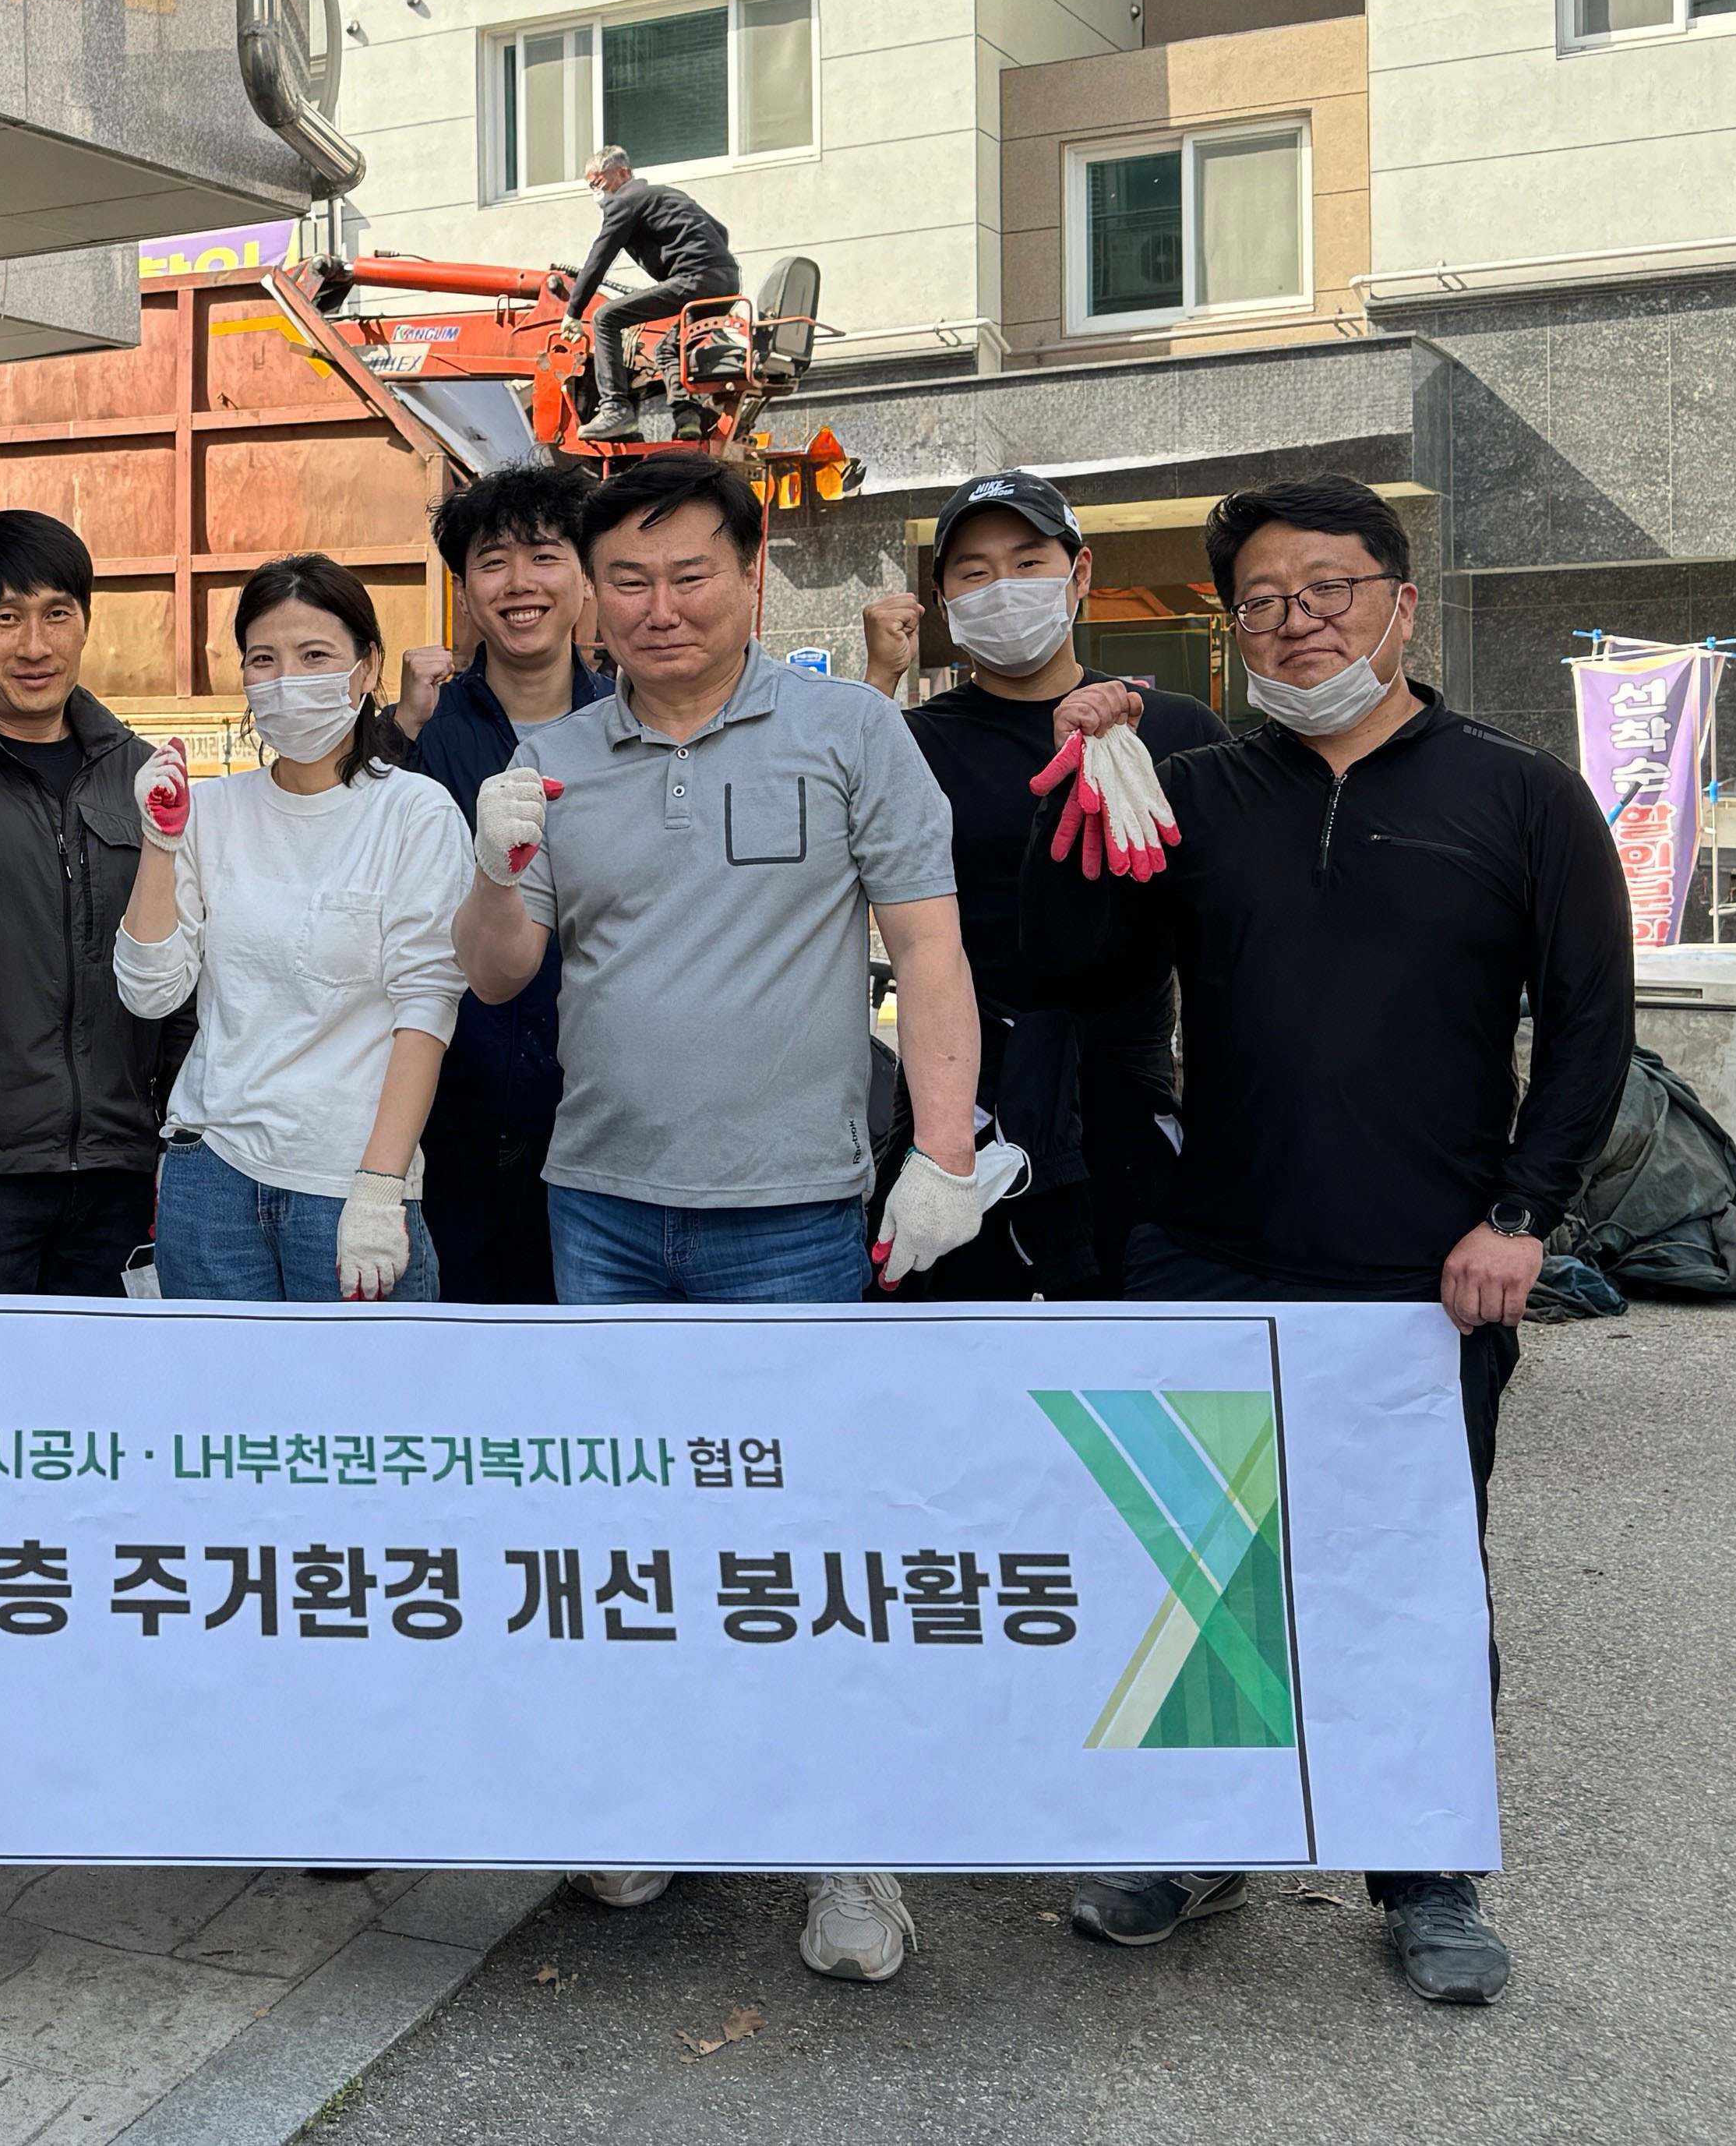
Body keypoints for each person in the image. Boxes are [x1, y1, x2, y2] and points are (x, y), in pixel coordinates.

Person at [1017, 474, 1628, 2007]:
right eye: (1265, 602)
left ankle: (1425, 1867)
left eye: (1330, 589)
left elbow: (1590, 1027)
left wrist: (1521, 1213)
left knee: (1412, 1569)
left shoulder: (1519, 793)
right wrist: (1083, 774)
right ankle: (1201, 1839)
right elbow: (1077, 964)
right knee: (1206, 1567)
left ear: (1400, 602)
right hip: (1216, 1242)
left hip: (1428, 1266)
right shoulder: (1201, 791)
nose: (1299, 622)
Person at [448, 453, 999, 1985]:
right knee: (633, 1529)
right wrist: (495, 867)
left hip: (792, 1208)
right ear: (592, 597)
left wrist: (941, 1150)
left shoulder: (849, 731)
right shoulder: (557, 753)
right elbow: (496, 970)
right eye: (627, 579)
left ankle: (846, 1848)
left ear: (754, 577)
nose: (660, 605)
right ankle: (654, 1798)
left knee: (802, 1529)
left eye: (692, 573)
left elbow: (928, 950)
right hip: (603, 1207)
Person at [865, 471, 1227, 1299]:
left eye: (1029, 562)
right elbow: (820, 825)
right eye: (975, 571)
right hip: (960, 1110)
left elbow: (1222, 940)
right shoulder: (908, 741)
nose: (1004, 587)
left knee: (1132, 1352)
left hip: (1126, 1105)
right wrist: (877, 683)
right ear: (943, 600)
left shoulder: (1171, 727)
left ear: (1080, 571)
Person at [113, 554, 462, 1304]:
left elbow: (426, 1010)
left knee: (364, 1386)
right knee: (216, 1385)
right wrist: (159, 843)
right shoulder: (211, 811)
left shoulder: (415, 813)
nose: (285, 679)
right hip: (211, 1175)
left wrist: (380, 1186)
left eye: (315, 656)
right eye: (263, 659)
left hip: (348, 1187)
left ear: (368, 668)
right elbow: (149, 992)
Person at [0, 510, 190, 1296]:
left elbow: (185, 980)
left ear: (86, 622)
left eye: (57, 614)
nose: (34, 645)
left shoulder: (145, 776)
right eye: (6, 618)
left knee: (108, 1379)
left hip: (121, 1168)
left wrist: (178, 1140)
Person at [398, 464, 610, 1305]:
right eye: (493, 562)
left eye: (545, 556)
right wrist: (397, 732)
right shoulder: (423, 742)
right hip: (449, 1122)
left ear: (586, 578)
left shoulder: (633, 735)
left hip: (596, 1130)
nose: (520, 583)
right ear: (465, 589)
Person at [564, 146, 738, 443]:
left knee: (605, 317)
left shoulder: (625, 201)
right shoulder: (665, 194)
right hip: (727, 281)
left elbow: (598, 259)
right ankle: (687, 419)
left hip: (696, 279)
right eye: (591, 186)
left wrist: (573, 312)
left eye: (599, 182)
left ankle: (615, 409)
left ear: (622, 173)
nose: (597, 192)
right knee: (668, 349)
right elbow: (720, 232)